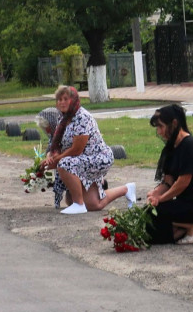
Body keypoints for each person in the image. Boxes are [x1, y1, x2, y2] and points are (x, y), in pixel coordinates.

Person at [41, 86, 131, 215]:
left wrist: (55, 161)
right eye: (59, 99)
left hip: (98, 158)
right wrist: (51, 156)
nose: (62, 102)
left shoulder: (82, 117)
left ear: (74, 100)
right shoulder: (63, 118)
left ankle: (79, 204)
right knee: (90, 204)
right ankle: (126, 189)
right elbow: (57, 143)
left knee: (65, 164)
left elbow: (76, 150)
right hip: (82, 159)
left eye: (66, 99)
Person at [145, 105, 193, 244]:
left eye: (161, 127)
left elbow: (182, 183)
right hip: (184, 202)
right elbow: (168, 181)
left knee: (154, 219)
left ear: (174, 123)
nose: (159, 132)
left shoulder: (190, 145)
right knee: (148, 213)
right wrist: (155, 194)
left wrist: (161, 199)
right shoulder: (171, 147)